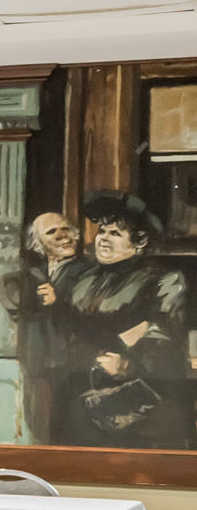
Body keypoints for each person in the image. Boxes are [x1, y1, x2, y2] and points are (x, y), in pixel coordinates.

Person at [63, 190, 191, 449]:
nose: (103, 240)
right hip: (84, 397)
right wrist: (123, 337)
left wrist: (128, 363)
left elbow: (163, 333)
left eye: (115, 234)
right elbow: (69, 330)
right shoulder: (84, 280)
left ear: (140, 241)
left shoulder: (164, 280)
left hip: (145, 403)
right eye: (101, 232)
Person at [2, 209, 85, 443]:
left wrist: (59, 303)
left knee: (66, 432)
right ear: (38, 244)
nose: (62, 235)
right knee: (38, 429)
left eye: (66, 229)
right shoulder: (31, 276)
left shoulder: (87, 272)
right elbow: (12, 298)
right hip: (37, 364)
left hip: (72, 366)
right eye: (52, 232)